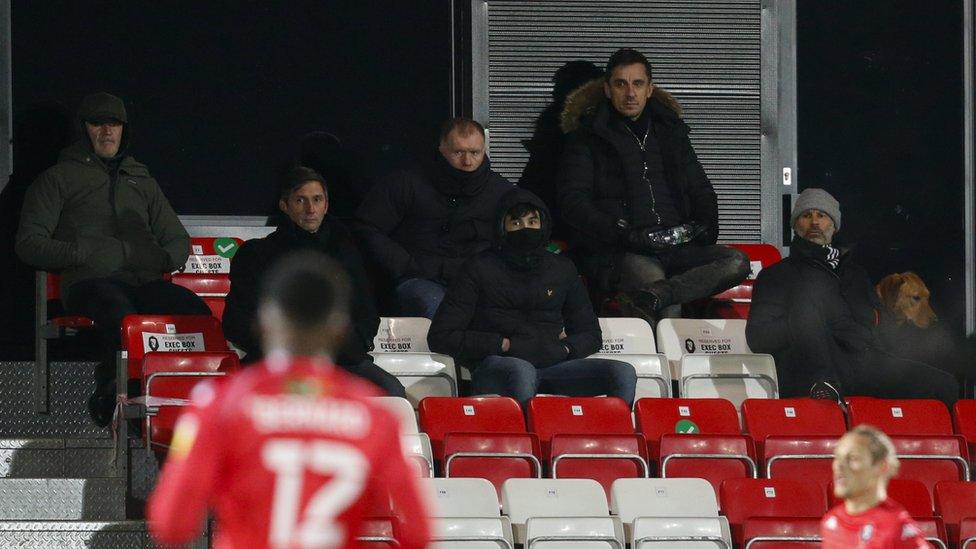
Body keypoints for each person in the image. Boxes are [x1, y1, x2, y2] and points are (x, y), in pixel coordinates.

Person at [148, 251, 431, 549]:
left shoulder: (219, 404)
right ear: (339, 330)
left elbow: (171, 525)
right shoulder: (374, 415)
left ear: (263, 323)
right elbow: (418, 533)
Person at [15, 92, 209, 427]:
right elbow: (29, 243)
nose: (107, 132)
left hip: (143, 281)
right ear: (83, 130)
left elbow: (177, 238)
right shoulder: (58, 178)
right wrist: (79, 253)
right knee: (121, 315)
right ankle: (117, 391)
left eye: (114, 124)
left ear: (124, 131)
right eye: (97, 123)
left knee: (197, 313)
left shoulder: (142, 180)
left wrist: (161, 258)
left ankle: (194, 402)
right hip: (91, 282)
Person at [558, 48, 749, 322]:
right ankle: (664, 353)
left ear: (650, 89)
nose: (630, 93)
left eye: (637, 83)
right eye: (621, 84)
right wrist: (624, 233)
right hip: (626, 251)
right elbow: (573, 203)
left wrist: (704, 226)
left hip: (679, 247)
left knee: (737, 262)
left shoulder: (672, 133)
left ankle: (658, 294)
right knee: (666, 306)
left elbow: (701, 189)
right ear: (608, 90)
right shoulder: (586, 139)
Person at [428, 187, 637, 406]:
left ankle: (614, 439)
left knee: (621, 373)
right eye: (516, 223)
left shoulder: (562, 269)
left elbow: (591, 334)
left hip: (553, 364)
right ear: (502, 227)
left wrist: (564, 349)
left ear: (543, 225)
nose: (525, 229)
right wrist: (504, 344)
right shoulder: (477, 268)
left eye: (532, 222)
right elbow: (442, 336)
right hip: (497, 365)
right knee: (521, 370)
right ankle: (526, 440)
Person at [746, 188, 958, 403]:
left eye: (822, 215)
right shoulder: (776, 275)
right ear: (795, 224)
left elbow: (880, 324)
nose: (815, 222)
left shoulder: (856, 274)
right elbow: (759, 337)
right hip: (809, 367)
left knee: (944, 385)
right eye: (806, 215)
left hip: (861, 361)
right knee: (809, 295)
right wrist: (810, 324)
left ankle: (904, 436)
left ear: (834, 225)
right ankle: (825, 384)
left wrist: (850, 329)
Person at [222, 166, 405, 397]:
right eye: (300, 200)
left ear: (326, 205)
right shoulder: (256, 254)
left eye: (317, 200)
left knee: (391, 390)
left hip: (340, 361)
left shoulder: (347, 253)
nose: (310, 209)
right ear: (284, 205)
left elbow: (366, 314)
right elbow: (236, 321)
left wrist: (340, 348)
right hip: (277, 362)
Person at [355, 117, 513, 318]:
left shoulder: (500, 192)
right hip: (418, 279)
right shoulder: (407, 183)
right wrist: (405, 265)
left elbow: (521, 232)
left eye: (475, 153)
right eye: (458, 152)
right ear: (442, 148)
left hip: (476, 282)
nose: (467, 161)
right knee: (436, 307)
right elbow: (367, 228)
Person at [821, 425, 932, 548]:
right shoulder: (831, 521)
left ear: (881, 466)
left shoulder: (896, 528)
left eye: (853, 458)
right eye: (837, 457)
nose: (839, 466)